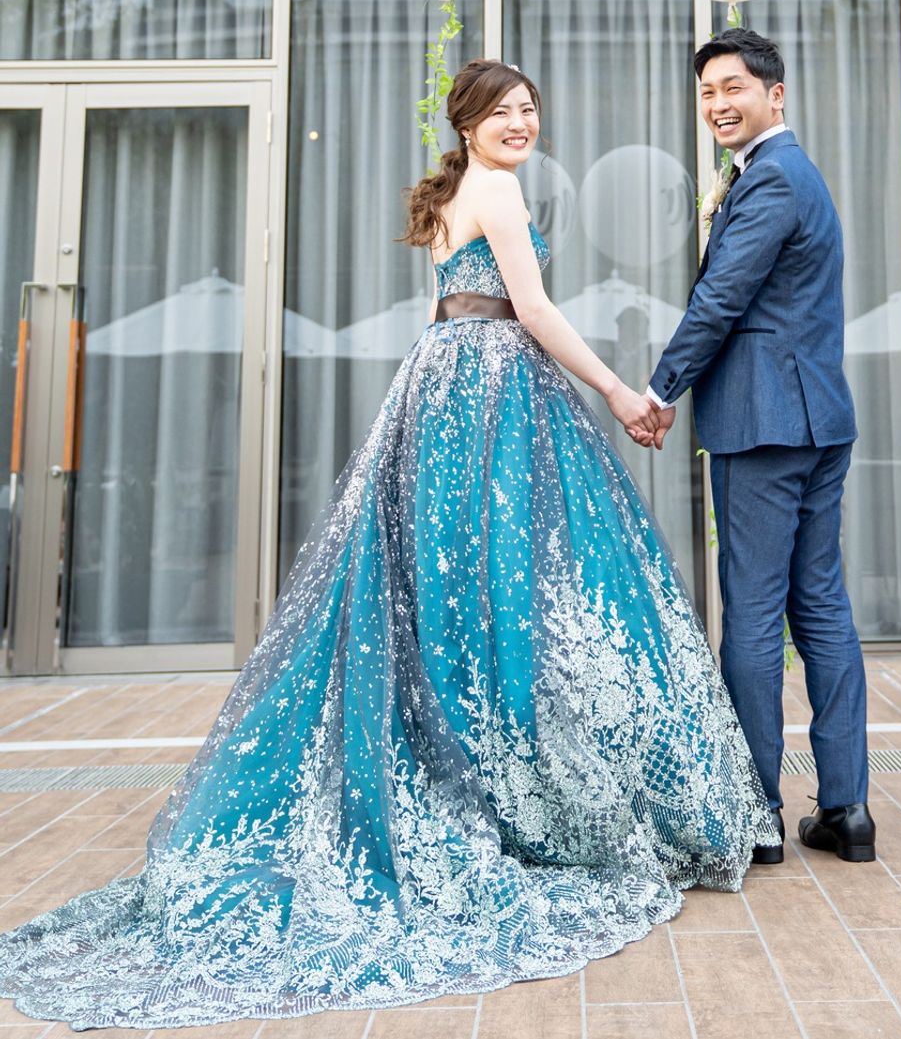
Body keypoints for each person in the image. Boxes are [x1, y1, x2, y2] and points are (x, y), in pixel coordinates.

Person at [0, 59, 775, 1029]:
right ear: (467, 123)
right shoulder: (496, 190)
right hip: (489, 388)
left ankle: (471, 764)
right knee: (511, 590)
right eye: (503, 110)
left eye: (530, 109)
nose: (521, 122)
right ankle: (506, 781)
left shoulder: (456, 192)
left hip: (441, 385)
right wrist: (620, 392)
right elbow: (531, 310)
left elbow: (460, 309)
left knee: (443, 594)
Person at [647, 28, 874, 864]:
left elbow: (721, 299)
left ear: (776, 94)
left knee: (750, 610)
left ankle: (757, 810)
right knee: (820, 606)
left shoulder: (772, 176)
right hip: (817, 421)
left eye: (733, 87)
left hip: (764, 424)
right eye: (707, 91)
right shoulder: (788, 173)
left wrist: (660, 389)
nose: (718, 103)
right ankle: (847, 807)